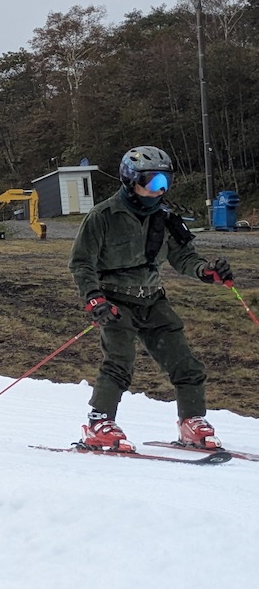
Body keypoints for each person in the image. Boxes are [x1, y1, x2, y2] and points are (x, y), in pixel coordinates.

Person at [70, 145, 234, 453]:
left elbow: (185, 257)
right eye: (152, 182)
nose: (159, 190)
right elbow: (81, 262)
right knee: (119, 362)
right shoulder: (103, 216)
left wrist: (208, 270)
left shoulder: (165, 218)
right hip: (116, 301)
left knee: (186, 363)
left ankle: (191, 422)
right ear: (130, 180)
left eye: (165, 183)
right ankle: (98, 423)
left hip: (153, 299)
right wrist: (93, 297)